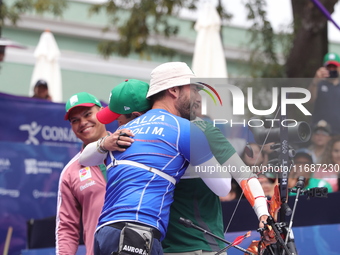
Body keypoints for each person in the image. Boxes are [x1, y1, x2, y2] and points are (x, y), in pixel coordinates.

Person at [80, 63, 273, 255]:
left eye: (118, 117)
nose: (199, 97)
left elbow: (243, 175)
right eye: (195, 90)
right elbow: (224, 186)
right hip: (168, 243)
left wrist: (264, 214)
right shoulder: (187, 130)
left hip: (139, 238)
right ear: (173, 90)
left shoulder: (125, 135)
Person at [56, 92, 121, 255]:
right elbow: (67, 228)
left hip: (141, 247)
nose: (83, 123)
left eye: (87, 114)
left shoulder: (129, 148)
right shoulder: (70, 172)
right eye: (75, 120)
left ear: (102, 112)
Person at [308, 52, 340, 135]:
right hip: (320, 132)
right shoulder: (319, 84)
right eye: (329, 67)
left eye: (334, 67)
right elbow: (310, 100)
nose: (332, 69)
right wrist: (315, 81)